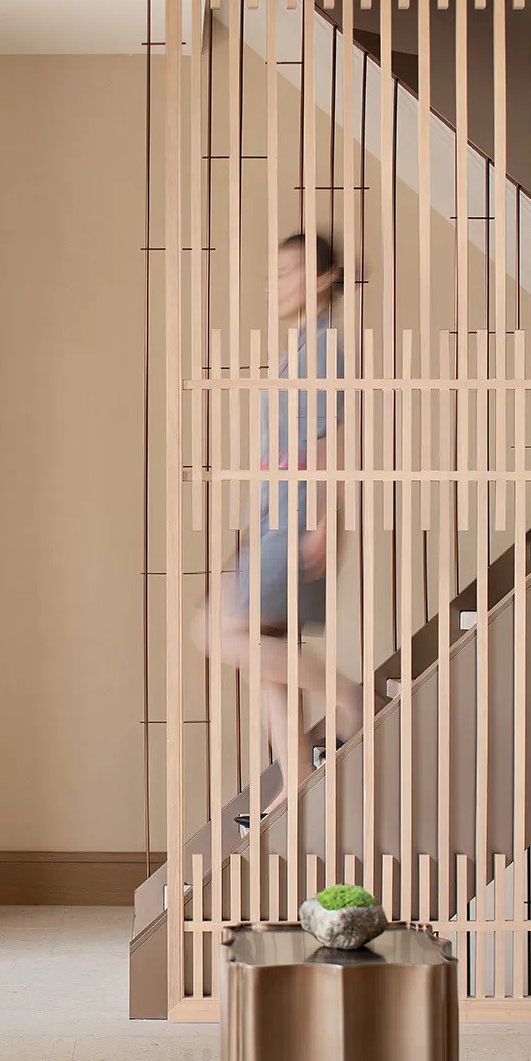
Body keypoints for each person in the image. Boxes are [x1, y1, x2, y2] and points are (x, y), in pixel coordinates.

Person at [191, 231, 363, 826]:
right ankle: (296, 778)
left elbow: (332, 443)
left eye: (289, 272)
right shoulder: (303, 347)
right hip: (276, 516)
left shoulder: (323, 349)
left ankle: (347, 694)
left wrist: (324, 522)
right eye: (277, 273)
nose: (278, 284)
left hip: (294, 519)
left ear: (323, 278)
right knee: (272, 652)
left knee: (217, 631)